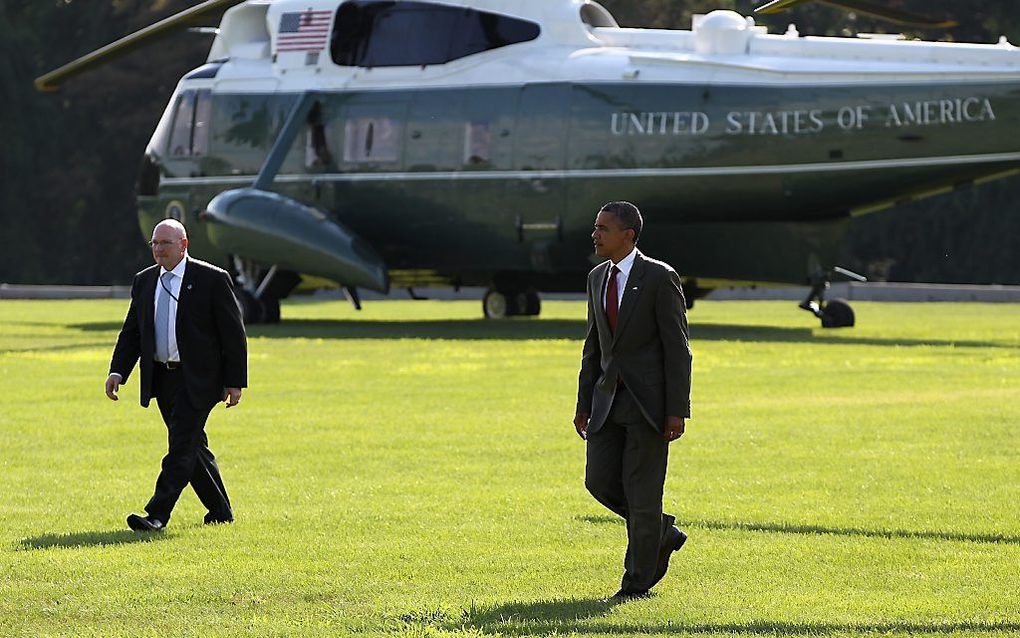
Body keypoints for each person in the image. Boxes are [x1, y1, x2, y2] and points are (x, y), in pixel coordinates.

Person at [574, 201, 693, 599]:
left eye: (603, 229)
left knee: (643, 494)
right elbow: (594, 345)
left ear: (628, 235)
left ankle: (636, 584)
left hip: (649, 405)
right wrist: (584, 402)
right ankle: (659, 531)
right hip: (607, 401)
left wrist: (676, 409)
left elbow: (678, 349)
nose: (595, 235)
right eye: (595, 227)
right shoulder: (596, 278)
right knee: (599, 481)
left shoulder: (660, 277)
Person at [105, 219, 247, 532]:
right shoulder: (144, 281)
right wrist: (118, 371)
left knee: (180, 446)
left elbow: (233, 334)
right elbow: (132, 332)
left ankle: (156, 515)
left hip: (200, 378)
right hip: (162, 377)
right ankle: (220, 512)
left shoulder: (212, 279)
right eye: (155, 243)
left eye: (165, 243)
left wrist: (234, 381)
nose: (158, 249)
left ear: (183, 245)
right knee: (192, 445)